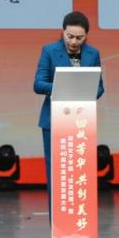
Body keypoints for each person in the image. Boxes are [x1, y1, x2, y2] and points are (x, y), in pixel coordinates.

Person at [33, 11, 104, 197]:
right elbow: (38, 84)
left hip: (82, 120)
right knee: (56, 173)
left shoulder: (93, 54)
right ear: (63, 31)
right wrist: (64, 85)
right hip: (54, 119)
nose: (73, 42)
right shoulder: (49, 51)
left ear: (86, 35)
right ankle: (56, 216)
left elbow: (99, 87)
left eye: (79, 38)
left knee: (80, 171)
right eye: (69, 36)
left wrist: (87, 91)